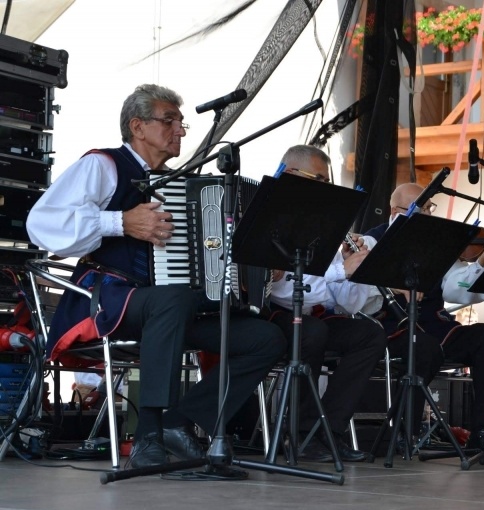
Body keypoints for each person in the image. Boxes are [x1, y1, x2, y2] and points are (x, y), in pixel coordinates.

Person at [26, 84, 288, 469]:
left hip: (168, 308)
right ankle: (147, 433)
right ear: (138, 126)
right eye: (170, 121)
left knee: (265, 337)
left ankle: (177, 423)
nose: (180, 131)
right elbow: (42, 224)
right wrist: (121, 222)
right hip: (109, 296)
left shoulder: (182, 184)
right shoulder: (103, 165)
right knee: (173, 298)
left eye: (181, 124)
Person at [361, 183, 484, 449]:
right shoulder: (372, 241)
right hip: (390, 326)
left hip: (435, 326)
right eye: (419, 207)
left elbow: (454, 288)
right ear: (394, 210)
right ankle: (406, 432)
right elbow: (356, 294)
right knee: (421, 347)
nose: (427, 213)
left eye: (429, 207)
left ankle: (483, 432)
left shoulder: (438, 242)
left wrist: (483, 261)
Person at [266, 144, 387, 463]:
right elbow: (279, 285)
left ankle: (328, 431)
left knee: (369, 335)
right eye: (321, 180)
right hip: (273, 315)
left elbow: (346, 304)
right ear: (292, 175)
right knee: (313, 332)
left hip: (314, 319)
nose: (328, 190)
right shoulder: (268, 211)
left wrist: (355, 269)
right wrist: (339, 270)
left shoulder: (328, 222)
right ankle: (303, 433)